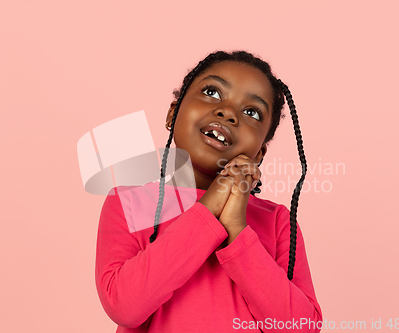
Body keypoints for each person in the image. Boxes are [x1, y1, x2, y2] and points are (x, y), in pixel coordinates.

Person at [95, 50, 323, 332]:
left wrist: (237, 230)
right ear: (173, 113)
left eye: (251, 112)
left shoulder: (278, 223)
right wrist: (208, 209)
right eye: (212, 92)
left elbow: (300, 327)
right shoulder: (129, 202)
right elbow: (124, 306)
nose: (227, 112)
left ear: (259, 153)